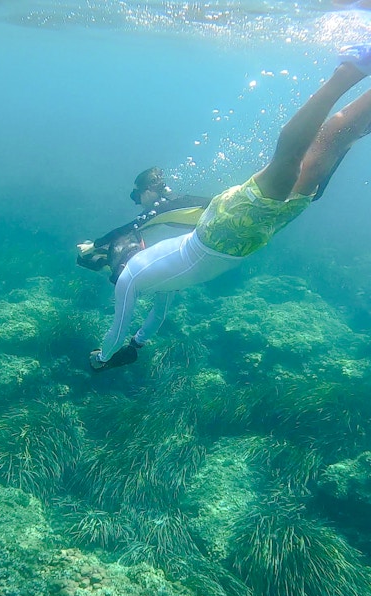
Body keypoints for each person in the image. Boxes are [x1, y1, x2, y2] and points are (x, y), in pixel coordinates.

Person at [89, 44, 371, 372]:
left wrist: (102, 359)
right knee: (325, 145)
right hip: (236, 234)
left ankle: (347, 73)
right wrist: (136, 344)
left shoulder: (133, 278)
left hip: (233, 233)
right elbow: (156, 316)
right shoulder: (155, 278)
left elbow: (117, 327)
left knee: (291, 158)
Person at [77, 167, 211, 284]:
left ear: (147, 192)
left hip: (215, 227)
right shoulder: (173, 202)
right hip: (213, 226)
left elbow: (126, 229)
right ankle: (103, 259)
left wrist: (93, 245)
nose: (137, 203)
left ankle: (106, 260)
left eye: (136, 196)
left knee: (128, 240)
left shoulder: (159, 208)